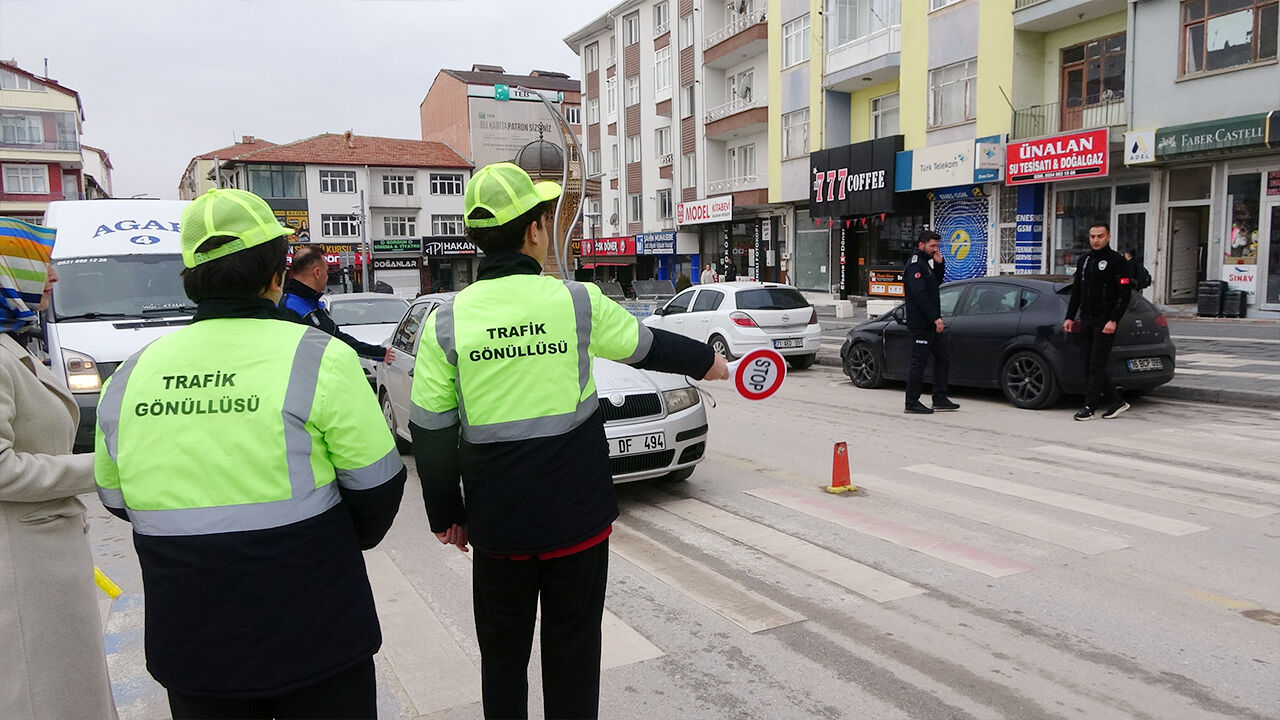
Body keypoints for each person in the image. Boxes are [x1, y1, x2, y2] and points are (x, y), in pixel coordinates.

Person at [410, 162, 729, 720]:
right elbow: (646, 345)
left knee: (502, 658)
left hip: (498, 526)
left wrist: (446, 514)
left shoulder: (447, 322)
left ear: (477, 238)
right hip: (576, 521)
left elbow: (430, 431)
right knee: (574, 654)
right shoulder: (576, 302)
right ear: (534, 230)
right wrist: (708, 361)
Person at [94, 189, 406, 719]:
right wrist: (328, 542)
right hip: (317, 634)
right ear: (276, 275)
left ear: (190, 278)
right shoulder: (319, 357)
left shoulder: (128, 374)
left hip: (192, 642)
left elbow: (116, 498)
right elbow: (378, 485)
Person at [0, 218, 116, 720]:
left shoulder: (14, 343)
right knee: (41, 694)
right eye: (39, 264)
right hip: (21, 565)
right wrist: (103, 468)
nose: (53, 277)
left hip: (39, 558)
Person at [1064, 221, 1131, 421]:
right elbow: (1077, 290)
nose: (1096, 240)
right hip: (1086, 318)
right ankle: (1117, 401)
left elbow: (1125, 294)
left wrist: (1113, 320)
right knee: (1088, 364)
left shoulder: (1117, 261)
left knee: (1096, 364)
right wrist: (1069, 316)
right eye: (1092, 236)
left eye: (1100, 236)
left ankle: (1090, 407)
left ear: (1108, 237)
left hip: (1105, 321)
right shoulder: (1084, 260)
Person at [280, 245, 394, 363]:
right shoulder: (289, 308)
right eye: (326, 271)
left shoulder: (313, 303)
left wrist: (379, 353)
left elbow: (337, 337)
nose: (327, 277)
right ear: (317, 273)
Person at [902, 230, 959, 414]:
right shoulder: (915, 265)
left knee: (944, 357)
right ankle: (912, 402)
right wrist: (936, 318)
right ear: (921, 245)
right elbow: (920, 295)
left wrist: (940, 264)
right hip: (921, 323)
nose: (935, 249)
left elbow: (935, 285)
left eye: (937, 246)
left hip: (931, 323)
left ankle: (939, 398)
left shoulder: (926, 263)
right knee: (919, 362)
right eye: (932, 246)